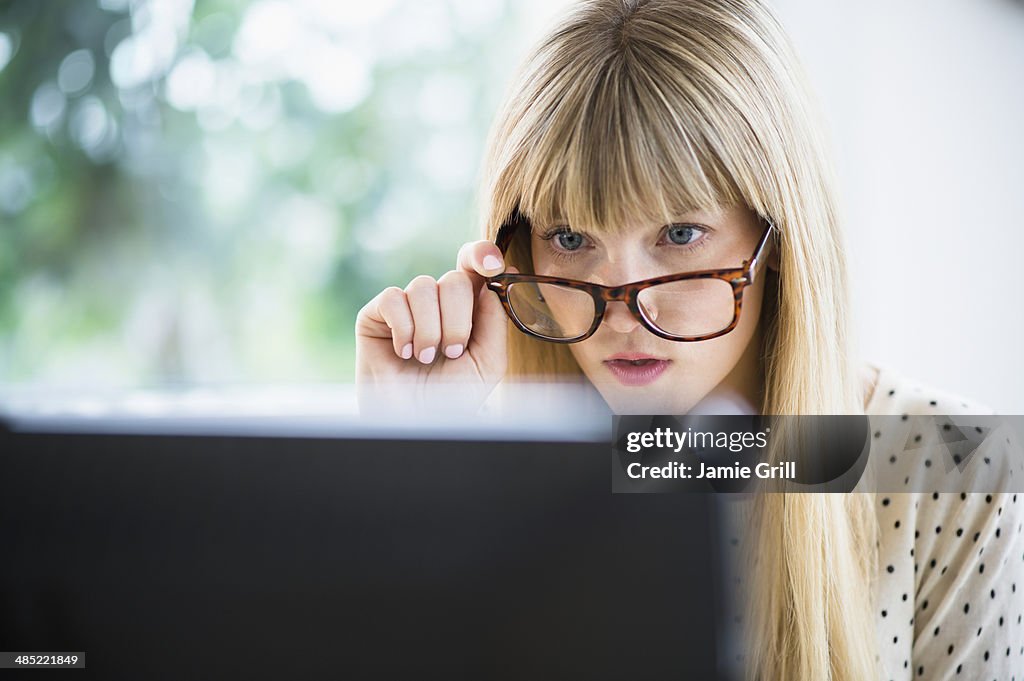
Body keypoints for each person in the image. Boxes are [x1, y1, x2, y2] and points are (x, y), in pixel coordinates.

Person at [354, 1, 1024, 678]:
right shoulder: (501, 479)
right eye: (569, 238)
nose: (625, 311)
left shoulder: (960, 470)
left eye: (678, 235)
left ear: (781, 237)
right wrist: (410, 463)